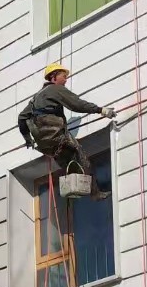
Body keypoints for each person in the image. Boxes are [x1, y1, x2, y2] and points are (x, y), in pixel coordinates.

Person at [18, 64, 116, 200]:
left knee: (67, 163)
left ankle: (71, 191)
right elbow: (77, 104)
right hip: (58, 136)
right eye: (63, 77)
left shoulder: (35, 98)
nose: (65, 80)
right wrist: (101, 110)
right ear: (53, 78)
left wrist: (27, 138)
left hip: (45, 144)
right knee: (81, 158)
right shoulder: (55, 89)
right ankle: (95, 193)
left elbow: (22, 117)